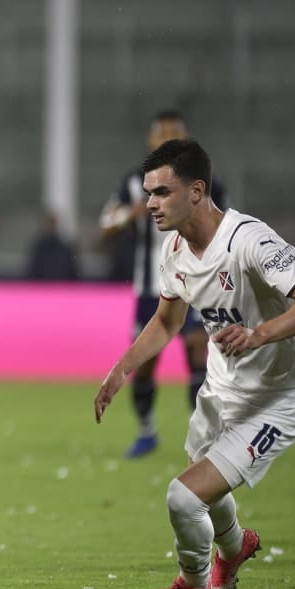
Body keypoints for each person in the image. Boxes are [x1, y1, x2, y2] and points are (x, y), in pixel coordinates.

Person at [94, 138, 295, 589]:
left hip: (277, 399)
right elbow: (167, 321)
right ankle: (234, 551)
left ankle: (191, 584)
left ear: (197, 191)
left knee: (183, 497)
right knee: (205, 487)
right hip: (221, 392)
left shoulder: (249, 241)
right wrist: (122, 368)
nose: (151, 203)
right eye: (149, 192)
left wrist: (259, 334)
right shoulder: (175, 248)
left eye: (162, 192)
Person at [99, 110, 223, 458]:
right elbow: (104, 226)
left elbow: (222, 223)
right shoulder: (132, 182)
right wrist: (128, 215)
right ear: (151, 140)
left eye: (175, 132)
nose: (167, 138)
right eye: (162, 133)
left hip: (195, 278)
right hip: (149, 285)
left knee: (197, 347)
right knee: (147, 359)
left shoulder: (204, 180)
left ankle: (204, 434)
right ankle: (146, 430)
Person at [25, 210, 81, 281]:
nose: (51, 226)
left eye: (53, 223)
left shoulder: (66, 248)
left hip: (62, 289)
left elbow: (74, 273)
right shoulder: (38, 248)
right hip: (42, 289)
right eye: (49, 223)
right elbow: (32, 272)